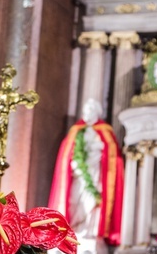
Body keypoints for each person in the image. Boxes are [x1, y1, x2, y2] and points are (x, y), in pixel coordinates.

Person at [48, 99, 124, 245]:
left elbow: (112, 154)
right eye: (86, 110)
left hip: (96, 173)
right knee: (74, 200)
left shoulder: (105, 131)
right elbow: (67, 153)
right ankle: (75, 230)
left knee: (93, 200)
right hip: (79, 174)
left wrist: (99, 148)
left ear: (97, 112)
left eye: (91, 110)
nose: (87, 113)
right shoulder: (76, 130)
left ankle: (90, 230)